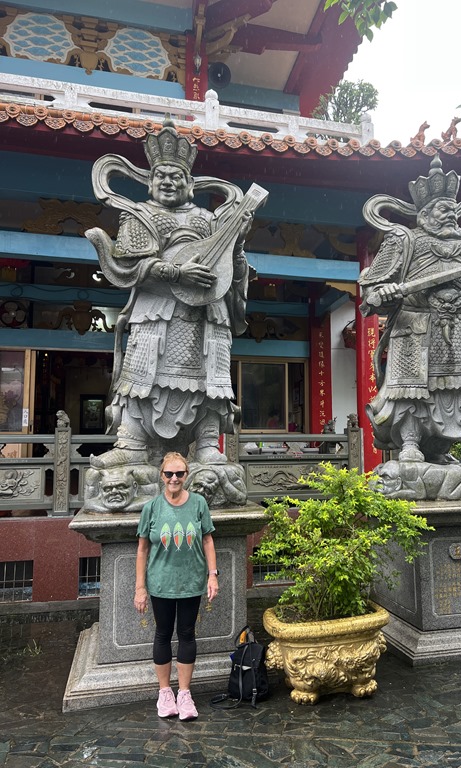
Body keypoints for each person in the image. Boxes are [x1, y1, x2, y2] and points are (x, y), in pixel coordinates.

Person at [87, 117, 265, 473]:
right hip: (156, 311)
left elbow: (229, 269)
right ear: (149, 181)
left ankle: (208, 443)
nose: (168, 182)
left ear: (190, 184)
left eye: (176, 177)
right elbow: (129, 267)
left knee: (211, 379)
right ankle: (130, 443)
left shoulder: (207, 219)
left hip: (206, 314)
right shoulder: (140, 215)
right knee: (142, 375)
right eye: (161, 176)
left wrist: (238, 242)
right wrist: (176, 273)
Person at [360, 155, 461, 466]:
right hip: (415, 327)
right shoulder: (404, 240)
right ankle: (410, 443)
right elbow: (372, 288)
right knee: (411, 390)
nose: (451, 214)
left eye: (454, 210)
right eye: (444, 209)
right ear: (425, 214)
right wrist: (383, 293)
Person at [134, 451, 219, 720]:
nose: (174, 478)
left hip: (191, 581)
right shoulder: (151, 508)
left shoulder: (198, 504)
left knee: (187, 633)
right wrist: (140, 588)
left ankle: (184, 693)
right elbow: (142, 550)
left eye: (179, 473)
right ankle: (164, 692)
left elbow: (207, 540)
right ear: (161, 476)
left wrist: (213, 575)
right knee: (162, 633)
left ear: (186, 475)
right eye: (169, 473)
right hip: (161, 583)